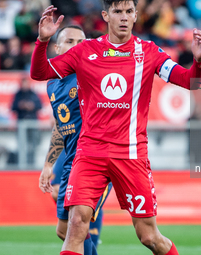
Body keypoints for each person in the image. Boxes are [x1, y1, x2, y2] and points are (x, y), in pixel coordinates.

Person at [31, 1, 201, 254]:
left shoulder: (149, 52)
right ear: (106, 15)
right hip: (90, 153)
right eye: (117, 12)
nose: (123, 17)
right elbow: (39, 72)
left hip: (131, 155)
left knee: (149, 236)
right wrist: (42, 42)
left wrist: (198, 62)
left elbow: (189, 82)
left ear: (135, 15)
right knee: (75, 224)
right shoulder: (86, 51)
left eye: (128, 12)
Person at [39, 25, 111, 255]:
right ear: (57, 47)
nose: (76, 46)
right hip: (70, 161)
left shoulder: (88, 75)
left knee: (76, 225)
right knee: (63, 230)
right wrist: (48, 165)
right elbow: (61, 127)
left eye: (81, 42)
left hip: (94, 160)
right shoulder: (52, 83)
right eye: (70, 41)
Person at [11, 75, 42, 165]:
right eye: (23, 83)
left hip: (32, 123)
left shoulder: (33, 93)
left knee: (33, 145)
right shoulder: (18, 94)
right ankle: (21, 164)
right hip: (21, 124)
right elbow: (13, 107)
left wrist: (31, 106)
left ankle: (31, 163)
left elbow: (40, 106)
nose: (25, 85)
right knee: (21, 145)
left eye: (26, 83)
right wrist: (21, 105)